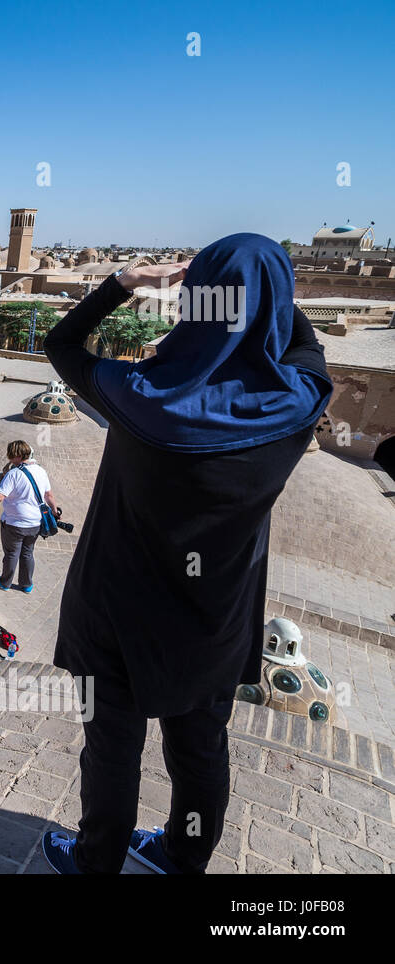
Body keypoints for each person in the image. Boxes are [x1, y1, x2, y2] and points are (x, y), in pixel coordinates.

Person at [36, 234, 332, 875]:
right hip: (213, 621)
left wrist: (125, 283)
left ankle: (97, 862)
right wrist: (270, 290)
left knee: (111, 748)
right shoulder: (296, 403)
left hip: (115, 610)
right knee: (200, 751)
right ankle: (182, 857)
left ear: (198, 303)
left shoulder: (139, 393)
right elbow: (307, 349)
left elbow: (60, 346)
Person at [0, 440, 60, 593]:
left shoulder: (13, 474)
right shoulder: (41, 471)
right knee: (28, 553)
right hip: (35, 523)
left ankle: (5, 582)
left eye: (10, 456)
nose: (9, 459)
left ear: (17, 456)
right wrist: (54, 510)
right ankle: (26, 585)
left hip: (14, 523)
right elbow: (49, 495)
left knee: (12, 553)